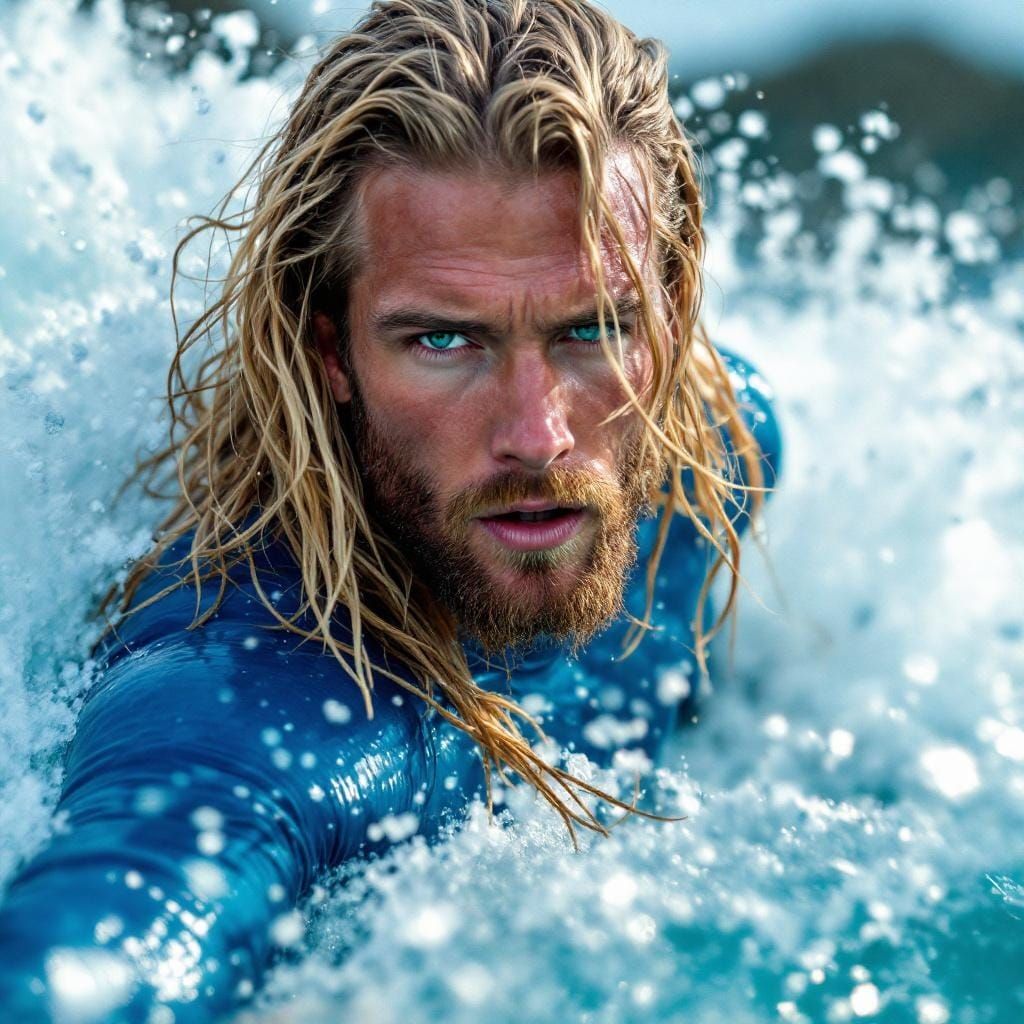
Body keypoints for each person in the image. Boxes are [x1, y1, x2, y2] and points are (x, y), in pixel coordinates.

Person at [0, 0, 782, 1020]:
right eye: (443, 342)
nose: (538, 437)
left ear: (667, 320)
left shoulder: (715, 452)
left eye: (592, 328)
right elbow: (103, 948)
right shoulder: (258, 702)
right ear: (330, 351)